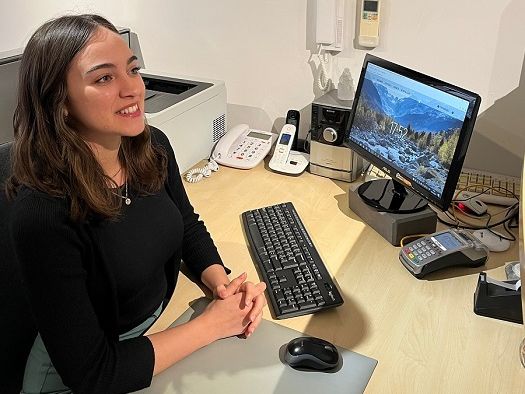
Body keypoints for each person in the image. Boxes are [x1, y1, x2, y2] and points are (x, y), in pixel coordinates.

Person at [7, 14, 266, 394]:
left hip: (159, 330)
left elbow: (186, 224)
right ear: (59, 102)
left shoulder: (151, 146)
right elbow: (94, 373)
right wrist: (211, 325)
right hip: (84, 374)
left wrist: (222, 286)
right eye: (104, 78)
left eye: (132, 70)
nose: (133, 89)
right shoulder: (43, 212)